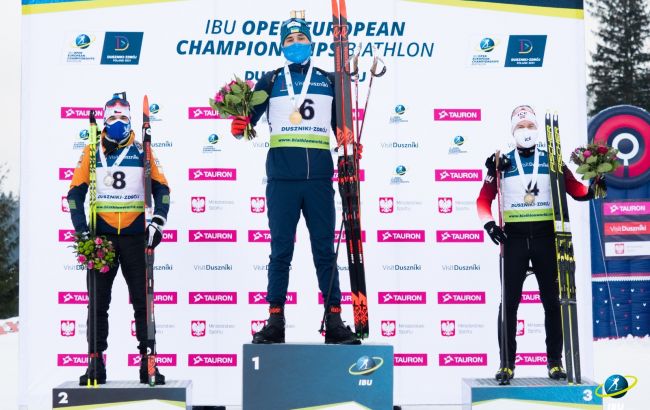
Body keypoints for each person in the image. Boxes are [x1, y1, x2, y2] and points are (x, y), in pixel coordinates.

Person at [230, 15, 359, 345]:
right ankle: (275, 321)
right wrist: (239, 123)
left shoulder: (329, 80)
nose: (296, 44)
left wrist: (350, 146)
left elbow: (342, 130)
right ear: (281, 46)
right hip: (282, 180)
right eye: (289, 40)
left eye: (301, 38)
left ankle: (334, 321)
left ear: (311, 43)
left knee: (324, 252)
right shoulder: (270, 80)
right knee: (280, 252)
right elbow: (246, 123)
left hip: (318, 180)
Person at [476, 105, 597, 381]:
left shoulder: (552, 159)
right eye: (521, 127)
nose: (526, 131)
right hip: (514, 240)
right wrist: (489, 224)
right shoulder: (500, 161)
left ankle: (555, 362)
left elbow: (577, 190)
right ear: (513, 131)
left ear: (538, 130)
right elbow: (483, 199)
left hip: (546, 238)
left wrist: (596, 183)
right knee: (509, 304)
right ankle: (506, 364)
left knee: (553, 302)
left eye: (530, 126)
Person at [67, 93, 171, 385]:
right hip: (102, 240)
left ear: (131, 121)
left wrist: (158, 221)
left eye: (123, 118)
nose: (117, 122)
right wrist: (81, 230)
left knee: (143, 303)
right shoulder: (91, 151)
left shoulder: (142, 150)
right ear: (103, 121)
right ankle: (95, 362)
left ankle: (148, 362)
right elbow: (74, 194)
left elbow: (162, 189)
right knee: (98, 303)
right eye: (112, 118)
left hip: (136, 238)